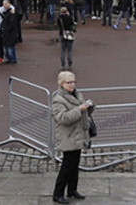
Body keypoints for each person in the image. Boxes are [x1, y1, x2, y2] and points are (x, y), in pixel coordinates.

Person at [51, 71, 94, 204]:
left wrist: (89, 107)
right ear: (61, 84)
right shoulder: (58, 99)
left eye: (73, 82)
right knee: (67, 166)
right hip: (68, 136)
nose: (72, 85)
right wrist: (79, 109)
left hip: (78, 135)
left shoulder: (77, 94)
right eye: (68, 82)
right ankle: (57, 193)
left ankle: (72, 190)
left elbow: (83, 113)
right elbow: (62, 118)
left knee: (75, 165)